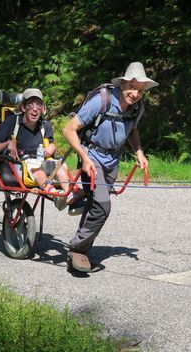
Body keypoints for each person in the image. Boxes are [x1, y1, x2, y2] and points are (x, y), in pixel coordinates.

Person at [62, 62, 157, 273]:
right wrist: (84, 158)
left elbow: (132, 130)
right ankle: (77, 249)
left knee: (95, 205)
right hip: (91, 157)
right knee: (102, 207)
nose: (135, 94)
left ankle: (81, 249)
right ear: (122, 83)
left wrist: (139, 152)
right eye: (132, 87)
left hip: (112, 161)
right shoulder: (102, 101)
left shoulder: (137, 108)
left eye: (140, 90)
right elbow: (69, 129)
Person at [0, 88, 75, 210]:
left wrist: (52, 147)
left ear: (43, 109)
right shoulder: (12, 122)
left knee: (59, 167)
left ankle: (70, 196)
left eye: (39, 105)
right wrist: (8, 143)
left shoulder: (45, 125)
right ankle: (56, 196)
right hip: (19, 166)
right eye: (30, 104)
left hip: (42, 162)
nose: (35, 109)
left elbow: (51, 145)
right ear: (23, 108)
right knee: (38, 171)